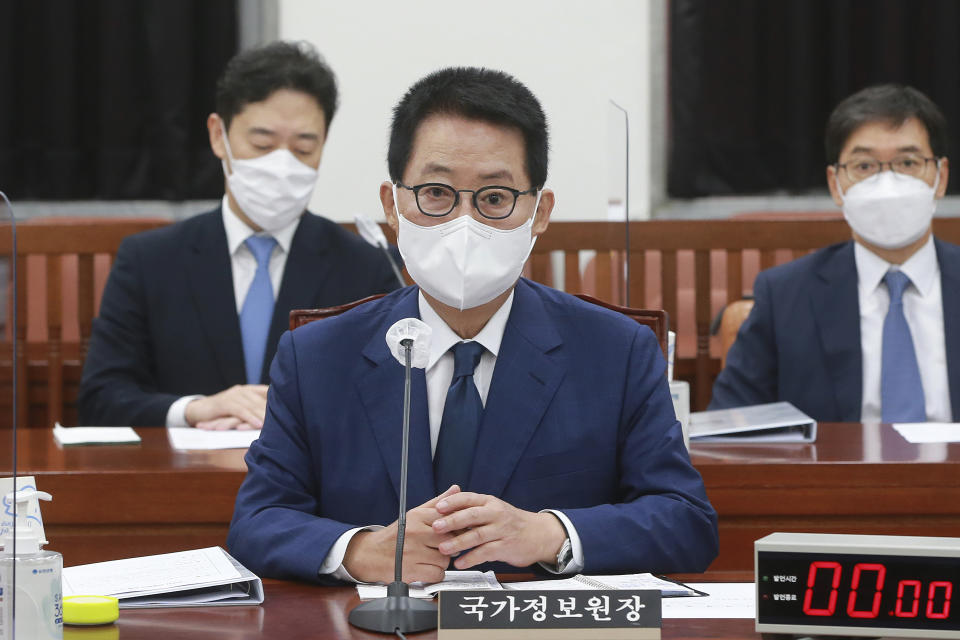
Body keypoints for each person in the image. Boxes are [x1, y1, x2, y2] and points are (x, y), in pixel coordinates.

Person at [228, 66, 718, 584]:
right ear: (392, 206)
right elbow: (257, 522)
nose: (465, 222)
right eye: (436, 193)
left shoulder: (616, 351)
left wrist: (550, 534)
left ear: (540, 211)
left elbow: (686, 523)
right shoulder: (316, 355)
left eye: (494, 198)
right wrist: (357, 550)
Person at [77, 42, 400, 429]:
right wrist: (193, 409)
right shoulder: (149, 260)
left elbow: (389, 399)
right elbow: (101, 399)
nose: (281, 165)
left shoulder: (364, 265)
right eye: (261, 144)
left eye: (303, 147)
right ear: (219, 135)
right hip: (183, 478)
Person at [711, 84, 960, 422]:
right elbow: (731, 425)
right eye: (864, 167)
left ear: (940, 178)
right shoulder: (785, 296)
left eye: (907, 162)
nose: (887, 184)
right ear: (835, 185)